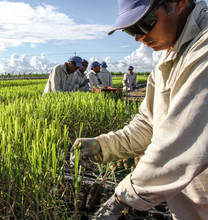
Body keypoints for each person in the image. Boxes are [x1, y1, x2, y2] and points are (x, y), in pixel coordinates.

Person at [70, 0, 208, 219]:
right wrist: (102, 144)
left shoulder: (203, 51)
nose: (138, 37)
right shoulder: (169, 60)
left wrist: (121, 198)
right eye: (130, 30)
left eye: (144, 24)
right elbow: (147, 124)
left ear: (178, 3)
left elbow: (177, 145)